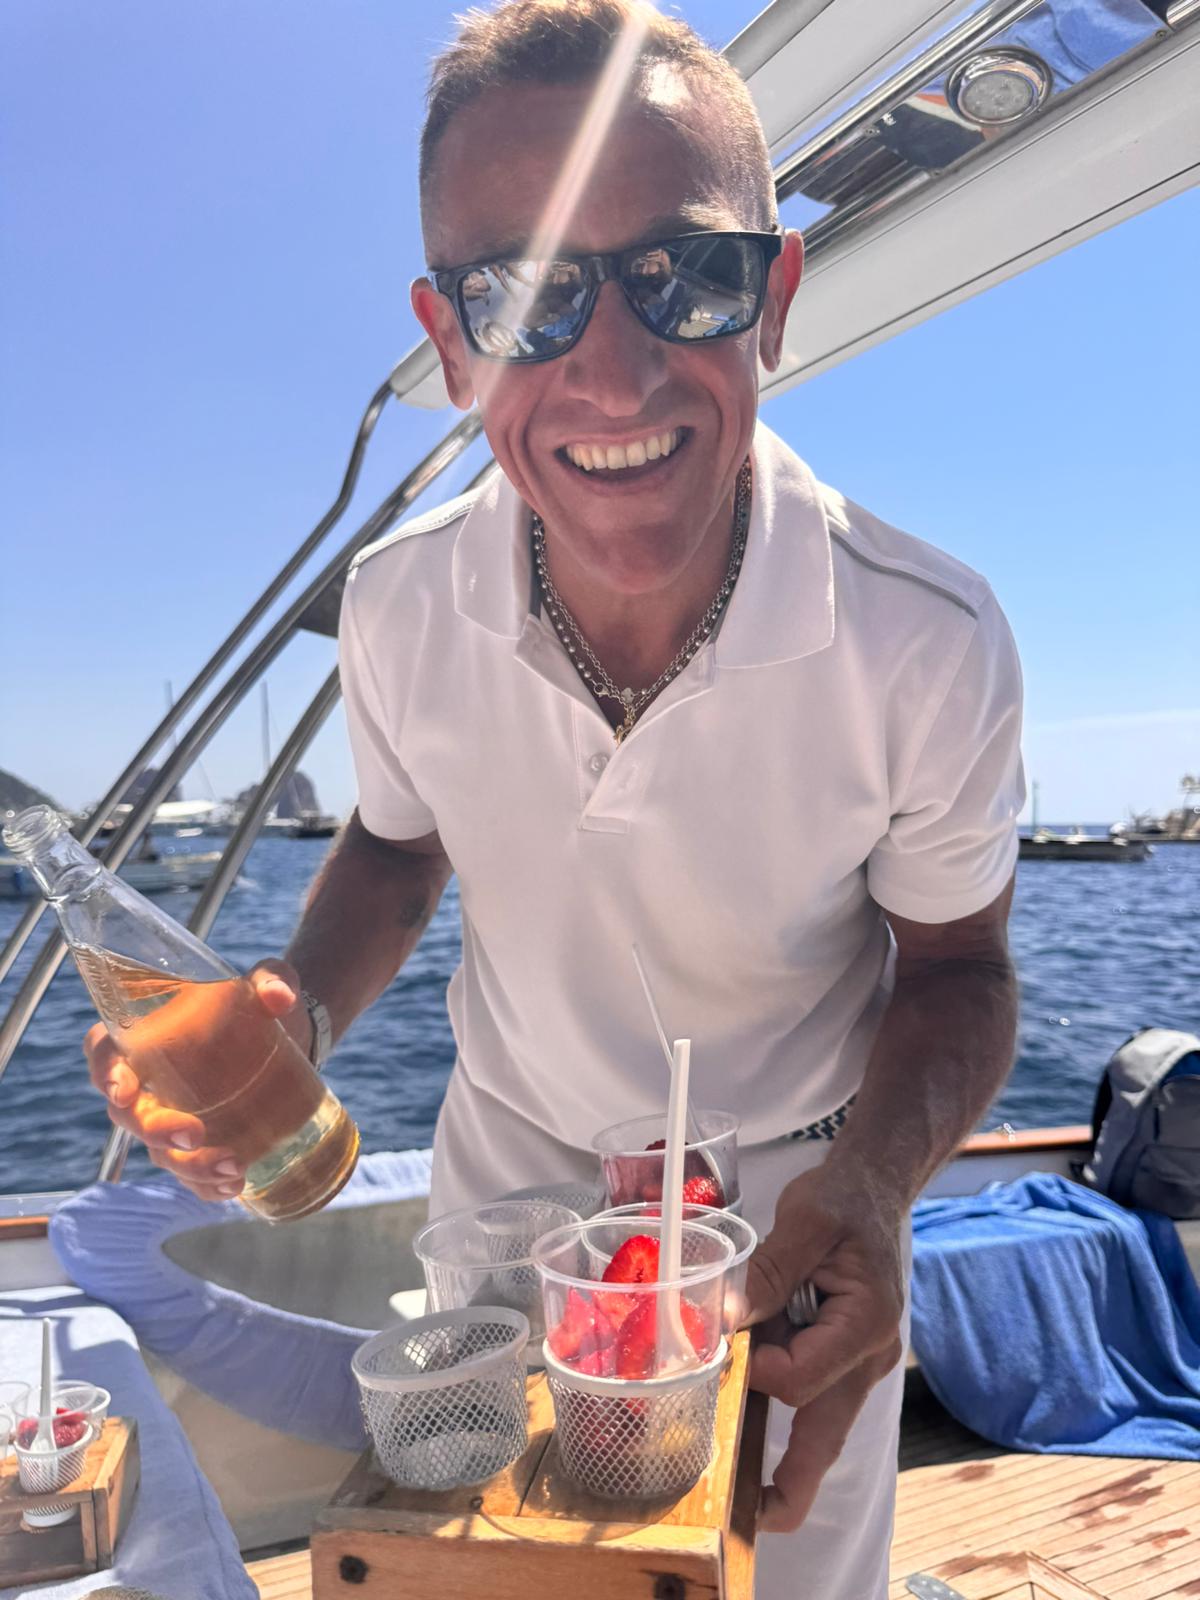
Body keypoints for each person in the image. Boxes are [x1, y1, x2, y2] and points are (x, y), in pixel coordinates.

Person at [85, 2, 1024, 1593]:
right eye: (522, 297)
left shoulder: (926, 638)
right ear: (450, 341)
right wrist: (301, 1008)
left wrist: (874, 1190)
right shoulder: (396, 605)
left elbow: (961, 968)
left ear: (776, 298)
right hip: (506, 1201)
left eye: (690, 274)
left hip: (796, 1229)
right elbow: (398, 846)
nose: (612, 367)